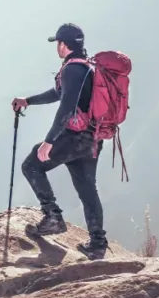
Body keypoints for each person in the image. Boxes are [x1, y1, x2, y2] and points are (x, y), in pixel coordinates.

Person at [11, 23, 108, 258]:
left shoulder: (72, 70)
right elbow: (59, 94)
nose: (57, 47)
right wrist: (29, 101)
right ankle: (97, 243)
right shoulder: (84, 68)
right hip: (91, 139)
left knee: (32, 165)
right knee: (87, 190)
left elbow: (66, 107)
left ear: (63, 45)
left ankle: (53, 216)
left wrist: (49, 141)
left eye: (57, 43)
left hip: (74, 138)